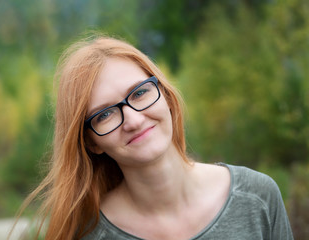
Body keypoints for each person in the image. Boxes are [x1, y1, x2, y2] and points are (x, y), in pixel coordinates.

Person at [14, 36, 293, 240]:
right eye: (105, 115)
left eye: (139, 93)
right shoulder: (88, 235)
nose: (134, 120)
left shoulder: (257, 198)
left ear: (167, 97)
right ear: (91, 143)